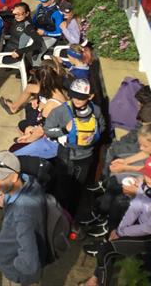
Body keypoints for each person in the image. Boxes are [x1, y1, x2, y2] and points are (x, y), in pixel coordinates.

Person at [81, 155, 151, 286]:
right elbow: (134, 208)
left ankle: (97, 281)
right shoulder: (147, 186)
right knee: (112, 236)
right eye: (147, 174)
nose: (149, 178)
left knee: (105, 251)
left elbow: (150, 229)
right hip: (141, 226)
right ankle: (96, 278)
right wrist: (119, 230)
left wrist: (122, 232)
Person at [44, 78, 105, 216]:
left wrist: (93, 136)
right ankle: (56, 215)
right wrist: (65, 130)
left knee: (77, 189)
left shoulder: (96, 111)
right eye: (74, 96)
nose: (77, 100)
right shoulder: (60, 111)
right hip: (65, 155)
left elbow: (102, 127)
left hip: (86, 157)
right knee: (61, 188)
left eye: (81, 98)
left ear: (90, 97)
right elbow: (48, 130)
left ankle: (70, 216)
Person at [0, 151, 45, 286]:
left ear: (14, 176)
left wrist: (9, 266)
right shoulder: (30, 182)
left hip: (18, 277)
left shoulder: (22, 213)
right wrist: (7, 199)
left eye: (0, 177)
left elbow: (29, 263)